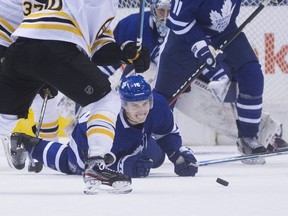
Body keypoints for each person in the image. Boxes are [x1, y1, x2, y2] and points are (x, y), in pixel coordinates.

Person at [0, 0, 150, 193]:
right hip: (52, 43)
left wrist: (125, 52)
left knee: (4, 118)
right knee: (106, 100)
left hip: (22, 47)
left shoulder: (104, 8)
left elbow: (98, 49)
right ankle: (96, 164)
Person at [8, 75, 198, 179]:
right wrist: (123, 166)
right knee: (72, 163)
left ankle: (29, 143)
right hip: (86, 136)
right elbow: (93, 161)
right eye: (134, 105)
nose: (142, 110)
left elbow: (167, 133)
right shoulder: (108, 121)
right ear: (123, 105)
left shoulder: (158, 105)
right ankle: (27, 143)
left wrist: (179, 156)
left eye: (144, 103)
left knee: (156, 159)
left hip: (125, 140)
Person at [154, 0, 271, 161]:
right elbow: (178, 19)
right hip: (183, 41)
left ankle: (248, 138)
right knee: (164, 97)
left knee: (251, 74)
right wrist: (201, 45)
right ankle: (150, 139)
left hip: (225, 33)